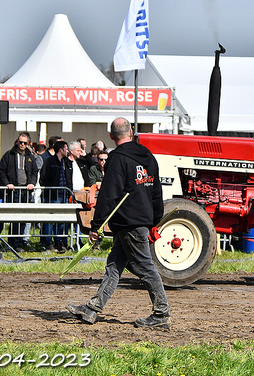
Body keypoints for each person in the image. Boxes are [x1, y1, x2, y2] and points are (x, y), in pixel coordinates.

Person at [67, 117, 170, 328]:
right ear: (131, 132)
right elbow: (157, 191)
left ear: (111, 136)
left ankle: (161, 313)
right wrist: (155, 219)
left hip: (129, 222)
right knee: (114, 266)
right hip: (140, 220)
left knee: (145, 267)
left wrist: (96, 225)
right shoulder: (148, 157)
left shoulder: (117, 158)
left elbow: (108, 195)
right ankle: (92, 308)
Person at [0, 132, 38, 252]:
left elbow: (34, 172)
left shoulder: (30, 156)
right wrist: (7, 183)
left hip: (26, 191)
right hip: (13, 191)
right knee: (14, 217)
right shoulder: (9, 155)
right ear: (17, 141)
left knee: (23, 217)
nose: (22, 144)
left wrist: (32, 183)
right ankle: (13, 242)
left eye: (25, 143)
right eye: (20, 142)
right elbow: (2, 171)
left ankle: (20, 241)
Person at [40, 140, 72, 252]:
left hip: (65, 195)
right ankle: (48, 242)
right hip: (53, 196)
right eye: (66, 148)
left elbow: (69, 178)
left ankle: (61, 242)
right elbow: (43, 178)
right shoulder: (50, 161)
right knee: (50, 220)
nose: (67, 151)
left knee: (62, 220)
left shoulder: (67, 162)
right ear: (61, 149)